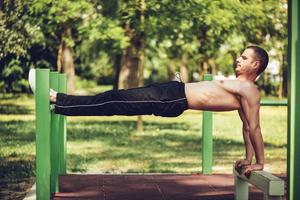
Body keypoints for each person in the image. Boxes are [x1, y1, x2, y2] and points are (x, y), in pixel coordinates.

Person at [28, 45, 268, 175]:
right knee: (115, 99)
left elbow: (253, 127)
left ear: (255, 65)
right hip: (172, 93)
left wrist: (258, 162)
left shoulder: (249, 90)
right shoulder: (241, 87)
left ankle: (57, 99)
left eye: (244, 57)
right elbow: (246, 128)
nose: (238, 59)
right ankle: (60, 102)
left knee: (114, 100)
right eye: (240, 55)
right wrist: (247, 158)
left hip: (171, 99)